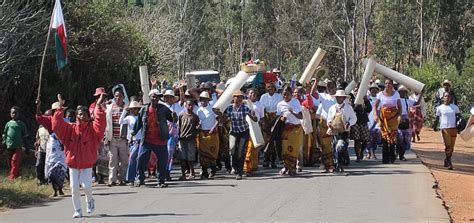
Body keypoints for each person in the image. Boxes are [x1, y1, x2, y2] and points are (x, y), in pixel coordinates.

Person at [52, 93, 107, 218]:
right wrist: (60, 107)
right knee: (74, 188)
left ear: (89, 116)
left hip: (87, 164)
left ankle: (90, 201)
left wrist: (98, 105)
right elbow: (56, 125)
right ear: (76, 116)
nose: (82, 116)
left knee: (87, 187)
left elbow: (101, 122)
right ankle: (77, 210)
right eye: (80, 114)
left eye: (84, 114)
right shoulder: (70, 129)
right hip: (73, 163)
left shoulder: (93, 130)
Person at [132, 89, 174, 188]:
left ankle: (161, 181)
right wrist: (133, 132)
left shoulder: (163, 108)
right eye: (153, 96)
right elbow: (138, 122)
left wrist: (175, 116)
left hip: (161, 140)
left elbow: (172, 119)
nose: (155, 98)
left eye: (157, 97)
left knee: (162, 161)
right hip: (147, 140)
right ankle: (140, 179)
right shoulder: (144, 109)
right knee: (140, 159)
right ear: (150, 97)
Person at [223, 90, 257, 180]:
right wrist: (220, 117)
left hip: (243, 131)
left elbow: (255, 119)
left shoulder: (245, 108)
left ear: (242, 99)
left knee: (240, 151)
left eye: (240, 97)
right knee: (232, 149)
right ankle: (234, 166)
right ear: (233, 98)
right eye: (236, 97)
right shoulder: (229, 108)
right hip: (234, 131)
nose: (238, 99)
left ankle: (240, 171)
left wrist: (254, 115)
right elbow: (224, 120)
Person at [36, 100, 67, 197]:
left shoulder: (66, 121)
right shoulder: (49, 120)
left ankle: (60, 188)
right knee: (51, 169)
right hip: (52, 147)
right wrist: (38, 106)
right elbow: (38, 117)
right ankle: (55, 190)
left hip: (62, 147)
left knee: (61, 168)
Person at [327, 90, 357, 172]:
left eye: (340, 97)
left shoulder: (348, 108)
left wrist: (349, 123)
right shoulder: (332, 108)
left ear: (344, 98)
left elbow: (354, 118)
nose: (338, 99)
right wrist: (329, 123)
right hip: (334, 131)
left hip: (344, 131)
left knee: (340, 146)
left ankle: (340, 164)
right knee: (334, 148)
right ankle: (337, 163)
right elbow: (329, 118)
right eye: (337, 97)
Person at [276, 86, 303, 176]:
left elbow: (301, 116)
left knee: (293, 149)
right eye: (284, 94)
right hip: (285, 129)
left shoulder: (295, 102)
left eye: (287, 94)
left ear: (291, 94)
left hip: (296, 129)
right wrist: (282, 118)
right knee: (285, 149)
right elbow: (278, 117)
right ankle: (286, 167)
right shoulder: (280, 104)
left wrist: (292, 112)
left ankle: (293, 168)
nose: (285, 96)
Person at [373, 78, 401, 164]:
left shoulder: (396, 94)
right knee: (384, 138)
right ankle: (385, 158)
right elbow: (375, 106)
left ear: (392, 85)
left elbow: (399, 107)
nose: (387, 85)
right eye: (386, 83)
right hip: (383, 118)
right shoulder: (380, 94)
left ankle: (392, 157)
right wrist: (375, 114)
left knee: (392, 138)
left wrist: (399, 115)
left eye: (389, 83)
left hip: (393, 118)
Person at [105, 88, 129, 186]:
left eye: (119, 96)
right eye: (116, 96)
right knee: (113, 160)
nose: (118, 98)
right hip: (113, 138)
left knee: (124, 160)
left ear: (123, 97)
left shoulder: (127, 108)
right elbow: (107, 124)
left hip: (123, 139)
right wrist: (106, 137)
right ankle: (112, 179)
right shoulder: (110, 108)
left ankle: (122, 179)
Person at [313, 79, 337, 172]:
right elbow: (312, 93)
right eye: (329, 86)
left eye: (332, 86)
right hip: (324, 124)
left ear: (335, 87)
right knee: (324, 145)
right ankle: (328, 164)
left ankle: (331, 163)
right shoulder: (323, 96)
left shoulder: (339, 97)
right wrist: (316, 81)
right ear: (326, 88)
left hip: (335, 124)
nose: (330, 88)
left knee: (333, 145)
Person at [433, 92, 460, 170]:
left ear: (451, 98)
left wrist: (460, 127)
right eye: (445, 96)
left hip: (453, 128)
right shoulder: (440, 108)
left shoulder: (455, 107)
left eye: (448, 96)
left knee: (452, 146)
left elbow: (458, 117)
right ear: (443, 98)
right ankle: (449, 162)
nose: (447, 98)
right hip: (445, 128)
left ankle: (446, 159)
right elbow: (437, 118)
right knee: (448, 145)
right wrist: (435, 126)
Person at [259, 83, 283, 168]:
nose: (271, 88)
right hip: (267, 119)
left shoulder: (279, 96)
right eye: (269, 87)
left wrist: (275, 119)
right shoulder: (263, 97)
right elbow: (262, 108)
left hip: (276, 118)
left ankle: (273, 161)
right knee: (267, 141)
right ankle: (266, 160)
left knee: (275, 141)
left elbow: (280, 108)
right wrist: (265, 121)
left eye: (272, 87)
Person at [196, 91, 220, 179]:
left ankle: (213, 169)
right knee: (202, 154)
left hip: (212, 133)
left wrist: (213, 127)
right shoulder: (199, 110)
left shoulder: (212, 109)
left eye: (205, 100)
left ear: (208, 100)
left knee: (212, 152)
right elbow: (198, 122)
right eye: (202, 100)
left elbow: (218, 119)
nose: (203, 102)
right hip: (203, 134)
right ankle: (204, 172)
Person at [118, 101, 142, 185]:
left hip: (142, 140)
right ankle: (131, 178)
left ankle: (139, 177)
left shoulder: (141, 117)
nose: (133, 110)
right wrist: (124, 111)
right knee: (132, 159)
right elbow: (120, 122)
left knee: (140, 159)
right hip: (134, 141)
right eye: (132, 109)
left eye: (135, 109)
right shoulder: (129, 118)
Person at [2, 106, 28, 180]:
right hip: (9, 146)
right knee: (10, 162)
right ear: (10, 114)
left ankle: (12, 178)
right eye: (12, 113)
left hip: (18, 146)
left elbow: (25, 136)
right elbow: (4, 134)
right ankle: (16, 174)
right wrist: (4, 142)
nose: (14, 114)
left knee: (14, 161)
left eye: (15, 113)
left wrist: (27, 147)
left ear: (18, 114)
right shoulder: (8, 124)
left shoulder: (21, 124)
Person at [162, 89, 182, 181]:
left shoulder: (176, 106)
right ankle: (161, 171)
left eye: (170, 97)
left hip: (173, 133)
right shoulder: (162, 106)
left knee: (169, 152)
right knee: (162, 153)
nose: (168, 99)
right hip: (163, 132)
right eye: (167, 97)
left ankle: (167, 171)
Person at [243, 88, 264, 176]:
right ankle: (247, 168)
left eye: (254, 93)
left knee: (254, 148)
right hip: (245, 128)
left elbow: (262, 118)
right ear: (247, 94)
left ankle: (253, 167)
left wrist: (258, 126)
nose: (253, 95)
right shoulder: (244, 104)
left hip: (255, 128)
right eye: (251, 93)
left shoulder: (259, 105)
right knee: (247, 147)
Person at [177, 100, 200, 180]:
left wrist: (192, 135)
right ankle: (183, 174)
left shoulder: (195, 117)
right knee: (182, 157)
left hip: (190, 139)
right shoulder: (181, 115)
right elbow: (179, 127)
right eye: (189, 105)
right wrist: (178, 136)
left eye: (192, 105)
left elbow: (198, 129)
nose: (190, 107)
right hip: (182, 139)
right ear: (185, 105)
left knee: (190, 158)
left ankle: (192, 172)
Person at [350, 86, 372, 162]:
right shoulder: (351, 99)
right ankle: (358, 156)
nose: (357, 92)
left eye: (358, 91)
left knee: (366, 140)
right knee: (357, 140)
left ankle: (361, 151)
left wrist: (366, 101)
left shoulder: (364, 99)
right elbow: (350, 109)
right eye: (355, 91)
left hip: (363, 121)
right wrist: (355, 105)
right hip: (355, 122)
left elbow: (369, 109)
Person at [367, 83, 381, 160]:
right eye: (372, 89)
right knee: (369, 137)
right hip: (368, 120)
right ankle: (370, 152)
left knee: (375, 135)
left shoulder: (380, 99)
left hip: (377, 120)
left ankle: (372, 151)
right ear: (370, 90)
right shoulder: (367, 99)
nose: (374, 91)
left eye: (376, 89)